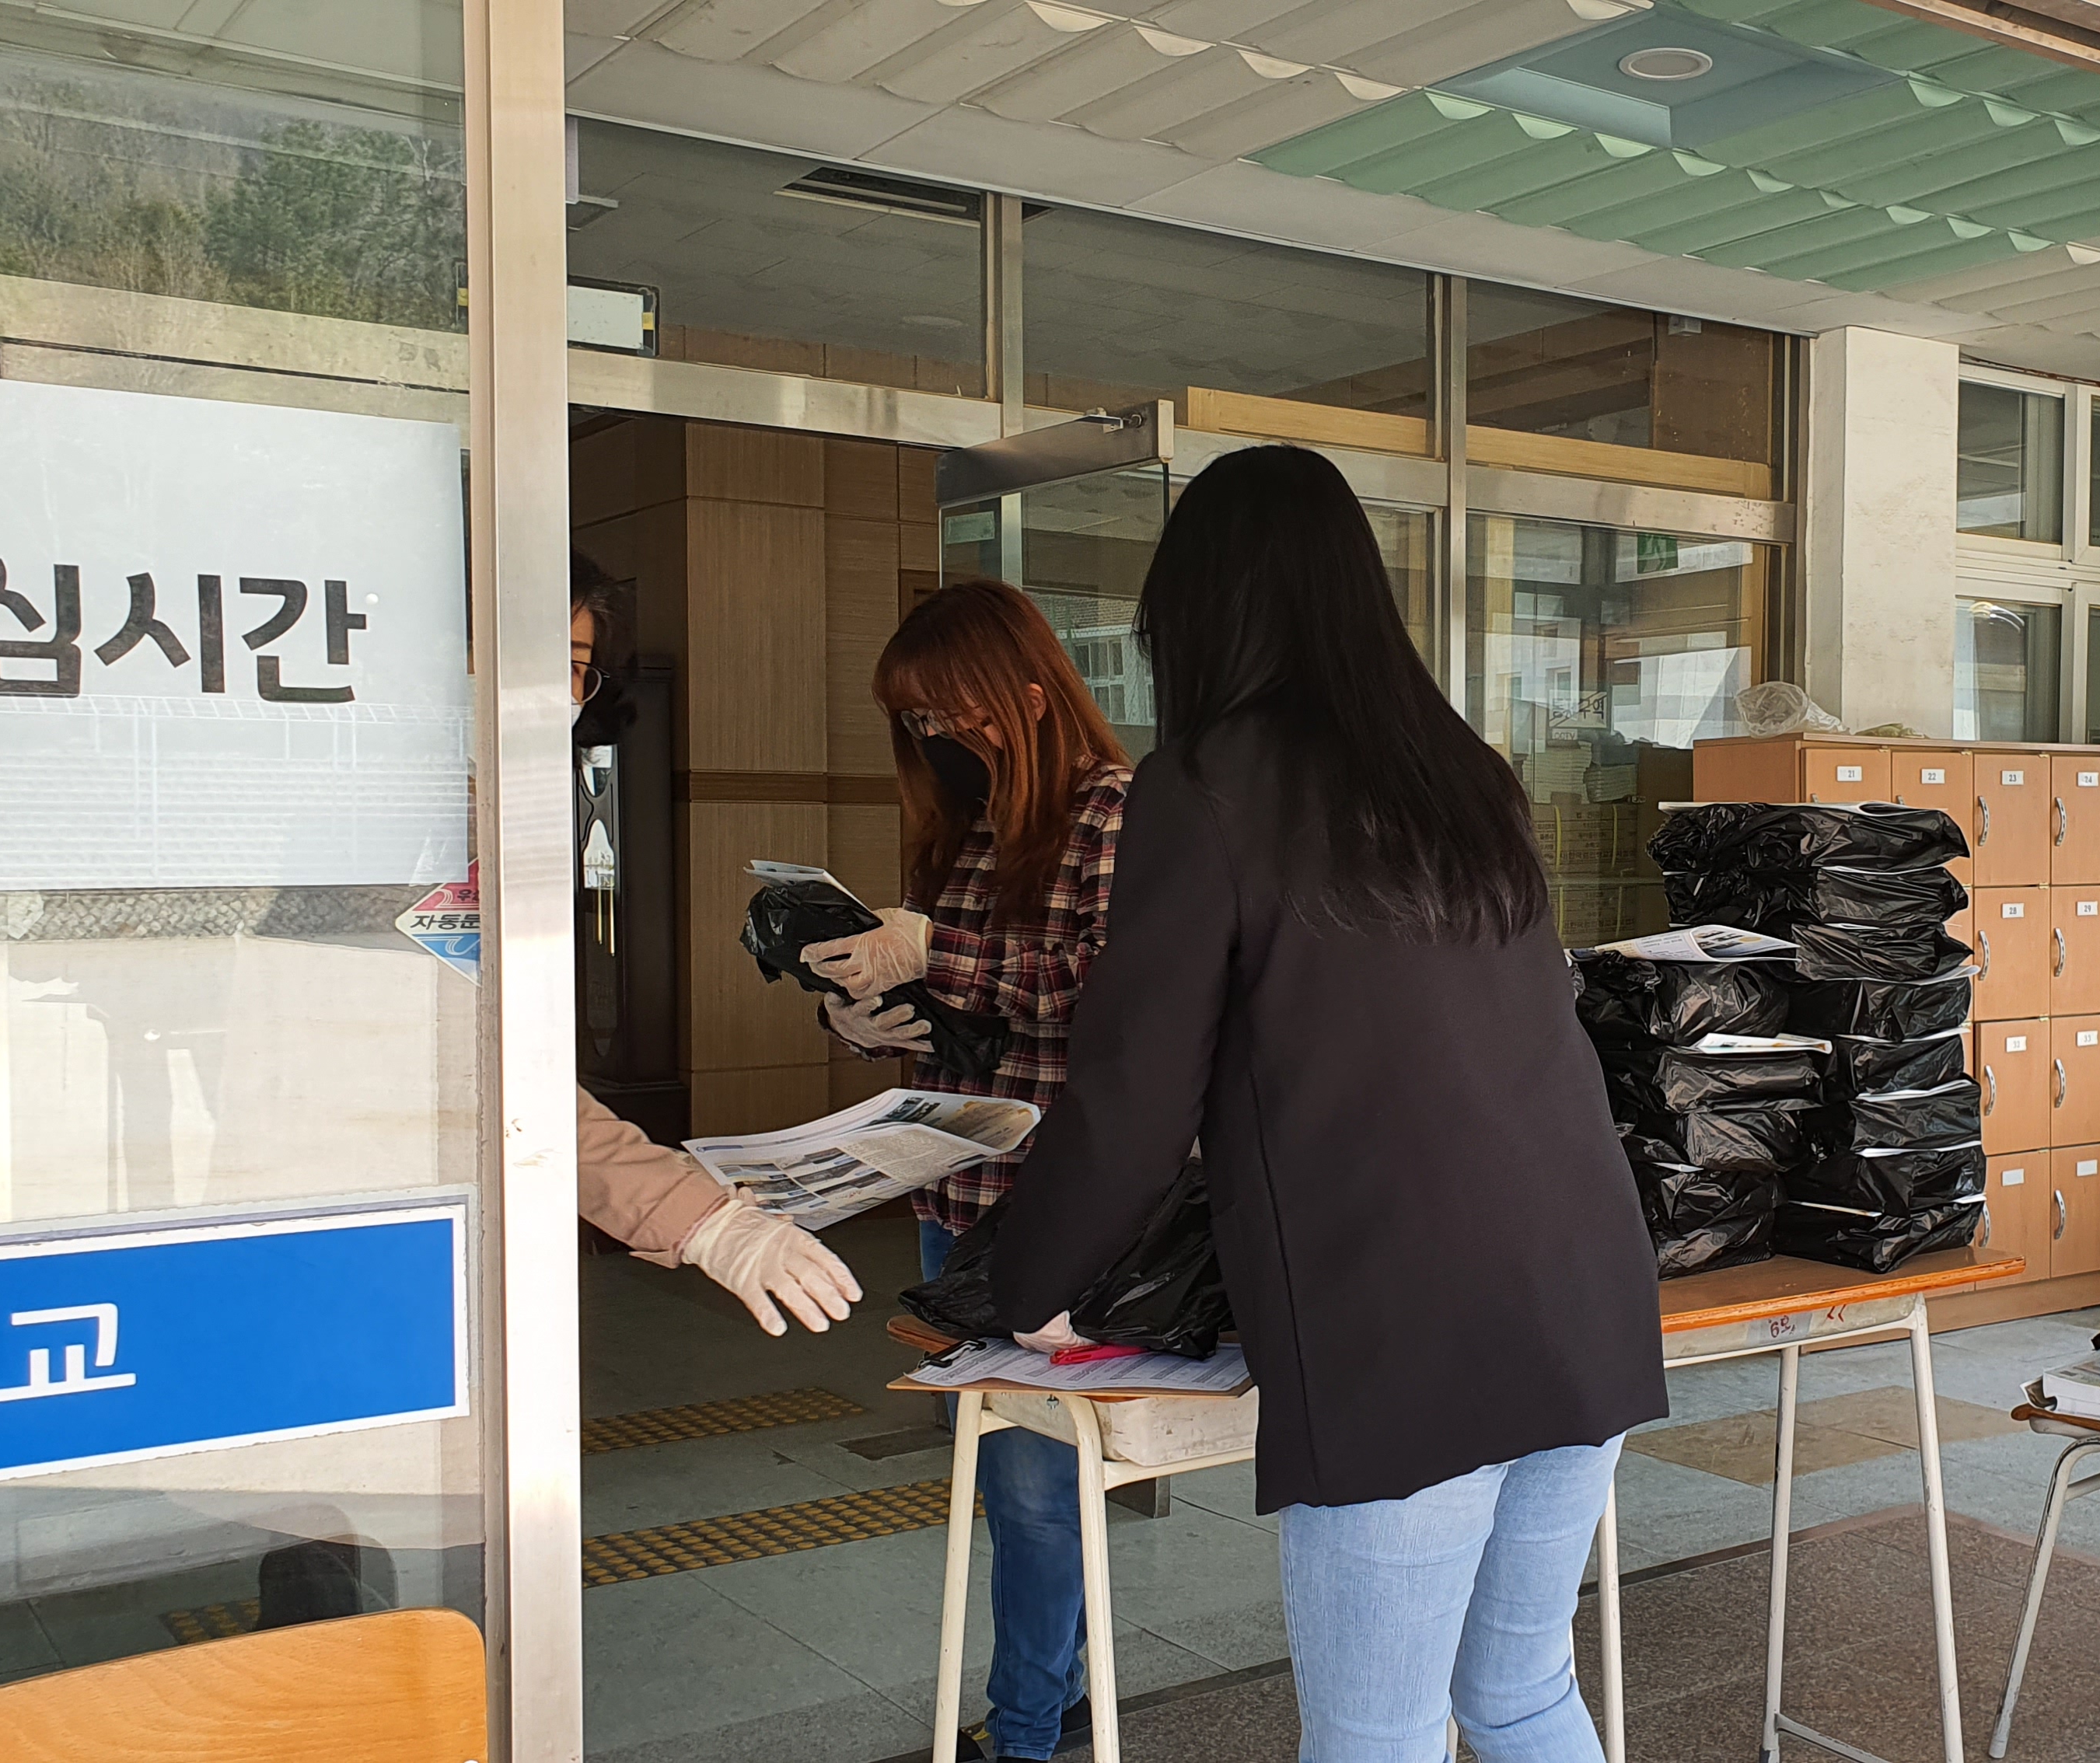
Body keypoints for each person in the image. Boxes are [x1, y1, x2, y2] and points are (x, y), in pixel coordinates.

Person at [987, 445, 1668, 1762]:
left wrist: (1024, 1281)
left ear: (1197, 608)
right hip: (1583, 1294)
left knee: (1378, 1731)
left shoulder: (1206, 781)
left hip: (1405, 1326)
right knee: (1520, 1692)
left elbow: (1132, 1095)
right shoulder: (1462, 769)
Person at [799, 578, 1133, 1763]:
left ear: (1030, 696)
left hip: (1064, 1209)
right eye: (917, 726)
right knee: (1012, 1483)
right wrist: (869, 1018)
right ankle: (1066, 1695)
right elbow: (961, 999)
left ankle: (1028, 1735)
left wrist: (943, 949)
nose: (936, 743)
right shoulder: (969, 825)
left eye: (951, 717)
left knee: (1036, 1495)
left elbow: (1118, 1003)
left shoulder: (1115, 811)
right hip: (956, 1192)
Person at [567, 562, 861, 1336]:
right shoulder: (396, 823)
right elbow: (491, 1092)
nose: (559, 697)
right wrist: (697, 1218)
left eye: (572, 669)